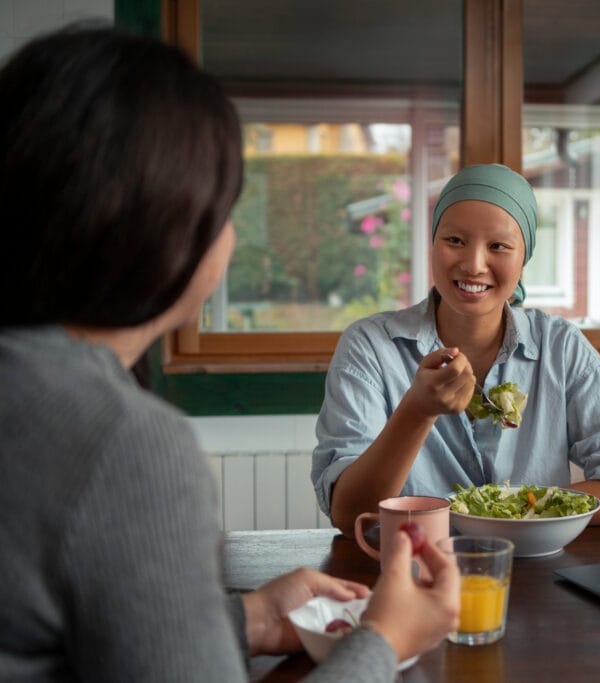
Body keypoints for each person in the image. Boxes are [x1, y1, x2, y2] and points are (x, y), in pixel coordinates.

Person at [0, 24, 459, 683]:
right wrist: (385, 638)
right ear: (164, 228)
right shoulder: (121, 441)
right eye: (226, 207)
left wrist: (243, 620)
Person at [313, 163, 600, 535]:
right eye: (455, 241)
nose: (474, 264)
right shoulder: (370, 347)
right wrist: (417, 410)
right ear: (432, 243)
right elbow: (350, 515)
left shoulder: (560, 347)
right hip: (410, 574)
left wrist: (500, 509)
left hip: (534, 575)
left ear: (523, 260)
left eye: (498, 246)